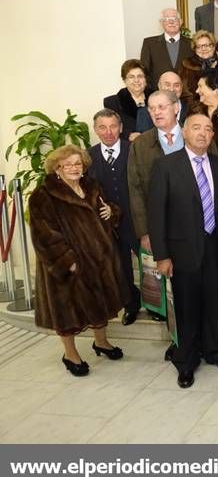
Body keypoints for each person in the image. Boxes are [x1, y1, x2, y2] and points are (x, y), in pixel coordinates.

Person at [148, 111, 218, 389]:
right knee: (186, 307)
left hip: (215, 247)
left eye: (208, 129)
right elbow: (156, 214)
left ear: (212, 136)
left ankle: (214, 351)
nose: (202, 133)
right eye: (196, 128)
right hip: (181, 250)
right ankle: (186, 361)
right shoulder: (166, 166)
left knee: (213, 303)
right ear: (184, 132)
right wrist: (161, 256)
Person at [29, 145, 126, 377]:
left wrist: (111, 212)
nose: (74, 168)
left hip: (98, 261)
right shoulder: (43, 196)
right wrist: (67, 262)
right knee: (68, 313)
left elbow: (106, 211)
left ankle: (101, 343)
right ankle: (70, 354)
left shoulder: (91, 186)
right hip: (67, 266)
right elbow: (44, 236)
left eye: (77, 164)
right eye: (68, 164)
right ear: (56, 169)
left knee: (100, 305)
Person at [88, 109, 139, 326]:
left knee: (151, 266)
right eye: (103, 127)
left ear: (120, 128)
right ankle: (131, 304)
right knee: (122, 267)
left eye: (113, 126)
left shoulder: (134, 150)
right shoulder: (87, 157)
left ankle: (159, 306)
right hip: (110, 225)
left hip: (138, 221)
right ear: (95, 129)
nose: (108, 132)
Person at [128, 91, 187, 256]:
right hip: (160, 226)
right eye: (152, 109)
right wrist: (144, 232)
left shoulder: (195, 135)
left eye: (161, 107)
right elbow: (135, 190)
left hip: (194, 224)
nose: (156, 112)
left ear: (176, 108)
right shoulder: (140, 144)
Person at [103, 59, 152, 141]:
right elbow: (110, 129)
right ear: (125, 80)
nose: (136, 80)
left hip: (154, 146)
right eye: (131, 77)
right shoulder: (112, 102)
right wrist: (128, 135)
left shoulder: (156, 98)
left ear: (145, 79)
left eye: (140, 76)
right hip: (128, 147)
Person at [140, 8, 192, 86]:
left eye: (174, 18)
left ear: (180, 22)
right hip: (158, 94)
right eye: (167, 19)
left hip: (186, 95)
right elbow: (144, 72)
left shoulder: (192, 43)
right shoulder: (149, 44)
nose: (171, 22)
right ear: (161, 23)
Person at [178, 30, 216, 99]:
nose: (203, 49)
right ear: (195, 49)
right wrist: (198, 108)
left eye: (207, 45)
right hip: (196, 106)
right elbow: (185, 93)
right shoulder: (187, 65)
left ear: (213, 47)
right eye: (199, 46)